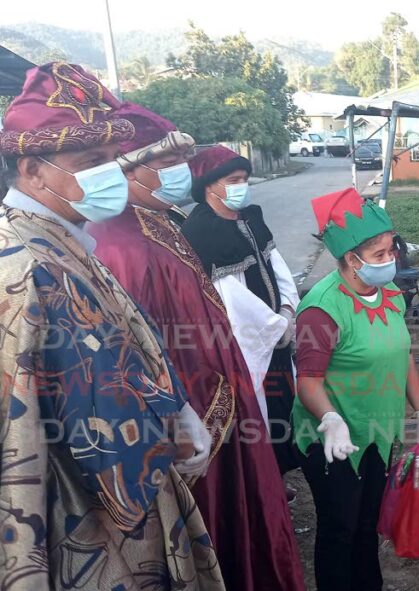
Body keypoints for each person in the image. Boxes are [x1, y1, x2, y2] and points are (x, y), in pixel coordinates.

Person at [0, 62, 223, 589]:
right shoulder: (34, 266)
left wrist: (177, 405)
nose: (109, 174)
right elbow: (96, 402)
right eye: (90, 161)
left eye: (110, 159)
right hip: (84, 511)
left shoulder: (61, 237)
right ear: (32, 170)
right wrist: (174, 427)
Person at [86, 103, 303, 591]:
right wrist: (197, 416)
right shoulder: (121, 245)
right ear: (125, 169)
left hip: (226, 397)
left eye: (179, 164)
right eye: (163, 166)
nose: (176, 175)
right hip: (199, 423)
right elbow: (142, 352)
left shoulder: (163, 221)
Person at [290, 189, 419, 590]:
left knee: (367, 524)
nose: (390, 261)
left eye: (391, 251)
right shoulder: (321, 309)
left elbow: (402, 352)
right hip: (334, 440)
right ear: (350, 260)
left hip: (377, 432)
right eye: (378, 255)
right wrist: (330, 418)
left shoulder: (392, 297)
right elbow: (307, 381)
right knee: (340, 528)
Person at [181, 145, 302, 475]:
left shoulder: (252, 216)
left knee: (282, 405)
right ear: (210, 184)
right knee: (255, 409)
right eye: (233, 180)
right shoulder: (201, 230)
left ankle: (278, 477)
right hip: (244, 342)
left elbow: (275, 263)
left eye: (244, 179)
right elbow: (230, 295)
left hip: (277, 331)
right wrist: (276, 326)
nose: (241, 186)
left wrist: (289, 309)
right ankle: (264, 482)